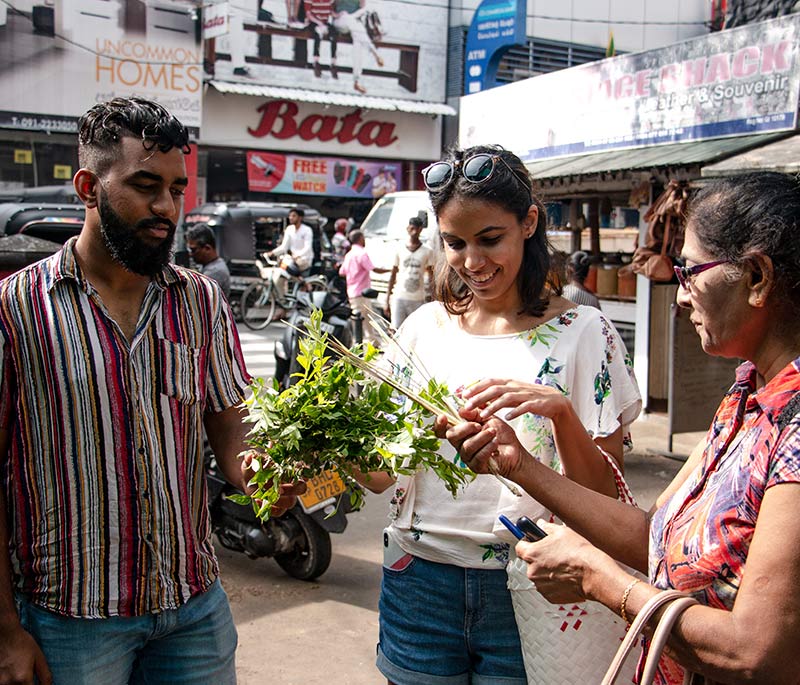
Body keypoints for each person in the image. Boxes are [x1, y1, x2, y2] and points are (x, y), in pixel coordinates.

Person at [446, 171, 800, 685]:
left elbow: (756, 654)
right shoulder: (748, 393)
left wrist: (598, 579)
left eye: (690, 271)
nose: (679, 297)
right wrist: (518, 465)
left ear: (758, 278)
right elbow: (652, 535)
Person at [0, 97, 302, 685]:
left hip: (193, 608)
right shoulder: (16, 311)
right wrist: (4, 628)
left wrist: (258, 471)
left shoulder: (199, 300)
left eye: (176, 188)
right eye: (145, 185)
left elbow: (229, 419)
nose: (167, 207)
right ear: (89, 186)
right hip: (72, 622)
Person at [358, 144, 641, 685]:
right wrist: (315, 451)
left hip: (534, 585)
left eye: (490, 239)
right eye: (455, 243)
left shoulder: (585, 334)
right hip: (417, 580)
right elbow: (377, 475)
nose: (472, 263)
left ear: (529, 222)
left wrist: (560, 414)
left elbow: (606, 501)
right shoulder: (423, 328)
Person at [338, 229, 389, 345]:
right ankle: (362, 344)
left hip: (352, 292)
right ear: (360, 239)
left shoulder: (349, 255)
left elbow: (342, 272)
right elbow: (373, 268)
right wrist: (390, 270)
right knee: (363, 320)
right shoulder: (361, 253)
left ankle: (372, 343)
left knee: (362, 319)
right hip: (362, 292)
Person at [384, 216, 434, 330]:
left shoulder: (427, 251)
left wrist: (432, 297)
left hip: (418, 298)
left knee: (416, 331)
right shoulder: (399, 248)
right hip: (399, 297)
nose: (415, 232)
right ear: (407, 228)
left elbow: (431, 276)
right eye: (412, 228)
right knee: (396, 330)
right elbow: (393, 274)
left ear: (421, 230)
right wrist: (387, 300)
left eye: (417, 229)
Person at [332, 0, 382, 94]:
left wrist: (351, 16)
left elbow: (363, 9)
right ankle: (374, 51)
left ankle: (356, 80)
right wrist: (337, 15)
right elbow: (328, 7)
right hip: (340, 22)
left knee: (358, 42)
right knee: (355, 27)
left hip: (353, 22)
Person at [267, 207, 314, 299]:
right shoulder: (289, 229)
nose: (291, 218)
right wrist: (272, 253)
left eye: (294, 216)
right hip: (292, 260)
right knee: (278, 279)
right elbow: (284, 247)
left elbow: (307, 247)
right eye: (290, 216)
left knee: (287, 267)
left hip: (304, 259)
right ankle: (283, 304)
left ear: (300, 218)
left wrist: (298, 255)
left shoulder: (307, 230)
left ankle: (304, 283)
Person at [186, 223, 232, 300]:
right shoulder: (210, 266)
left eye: (193, 250)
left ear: (207, 248)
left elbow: (194, 298)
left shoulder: (216, 271)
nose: (191, 254)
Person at [304, 0, 339, 78]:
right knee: (317, 34)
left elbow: (331, 11)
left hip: (324, 22)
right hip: (313, 22)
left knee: (334, 34)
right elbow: (308, 14)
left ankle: (333, 62)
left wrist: (339, 15)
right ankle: (316, 61)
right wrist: (319, 23)